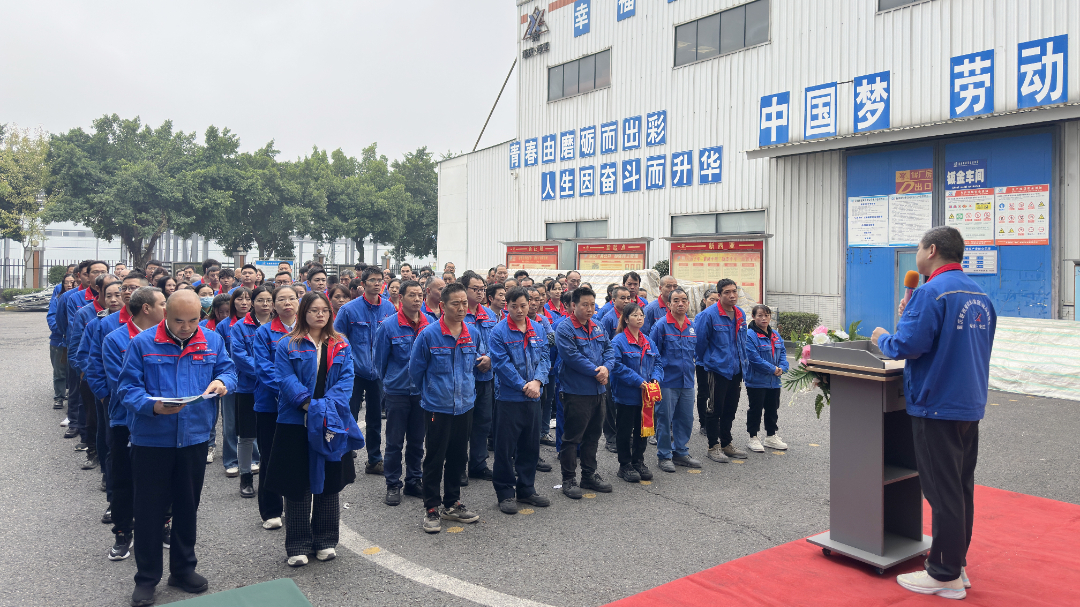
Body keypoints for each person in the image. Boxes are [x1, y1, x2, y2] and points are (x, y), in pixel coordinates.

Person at [871, 227, 995, 599]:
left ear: (932, 250)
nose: (916, 255)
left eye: (918, 248)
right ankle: (957, 564)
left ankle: (943, 574)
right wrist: (911, 315)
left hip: (936, 403)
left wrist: (882, 337)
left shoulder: (930, 292)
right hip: (968, 403)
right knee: (960, 488)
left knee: (942, 493)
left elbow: (907, 345)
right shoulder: (979, 294)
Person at [116, 289, 236, 607]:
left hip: (194, 439)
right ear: (165, 314)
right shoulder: (143, 343)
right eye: (179, 321)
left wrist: (223, 382)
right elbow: (126, 388)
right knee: (149, 512)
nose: (186, 327)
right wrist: (152, 407)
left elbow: (228, 370)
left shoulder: (212, 341)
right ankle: (146, 579)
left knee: (187, 508)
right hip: (151, 440)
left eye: (193, 320)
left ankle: (183, 570)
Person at [264, 292, 361, 568]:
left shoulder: (341, 343)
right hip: (295, 420)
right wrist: (308, 404)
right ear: (303, 312)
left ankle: (326, 540)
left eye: (324, 310)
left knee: (330, 482)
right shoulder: (287, 344)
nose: (320, 314)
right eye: (314, 310)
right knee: (297, 483)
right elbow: (285, 378)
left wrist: (325, 408)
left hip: (332, 420)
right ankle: (298, 544)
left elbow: (347, 379)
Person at [409, 283, 481, 534]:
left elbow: (475, 365)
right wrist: (432, 393)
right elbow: (416, 371)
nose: (461, 308)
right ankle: (431, 507)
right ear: (442, 305)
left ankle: (452, 503)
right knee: (434, 457)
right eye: (455, 303)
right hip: (437, 407)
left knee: (459, 456)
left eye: (464, 303)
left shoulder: (472, 333)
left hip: (465, 406)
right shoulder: (429, 335)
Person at [101, 286, 166, 562]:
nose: (168, 308)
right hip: (125, 419)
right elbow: (121, 383)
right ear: (146, 308)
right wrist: (155, 400)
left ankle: (163, 524)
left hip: (161, 418)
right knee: (123, 479)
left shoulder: (168, 336)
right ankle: (123, 532)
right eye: (163, 303)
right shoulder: (115, 339)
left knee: (161, 478)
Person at [488, 287, 552, 514]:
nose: (519, 310)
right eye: (514, 306)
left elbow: (545, 357)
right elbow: (501, 364)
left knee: (530, 445)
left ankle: (526, 489)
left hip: (533, 396)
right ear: (507, 306)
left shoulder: (538, 328)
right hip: (509, 397)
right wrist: (524, 386)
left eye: (523, 305)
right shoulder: (498, 331)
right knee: (505, 448)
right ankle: (505, 492)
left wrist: (538, 381)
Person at [333, 266, 397, 475]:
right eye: (372, 280)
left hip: (378, 372)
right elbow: (338, 338)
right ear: (363, 283)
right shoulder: (349, 309)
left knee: (375, 418)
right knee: (348, 413)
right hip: (353, 371)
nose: (377, 284)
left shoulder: (388, 308)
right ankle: (344, 456)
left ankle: (374, 459)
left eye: (380, 280)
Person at [554, 286, 615, 500]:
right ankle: (568, 479)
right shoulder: (565, 328)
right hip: (576, 391)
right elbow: (571, 357)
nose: (589, 309)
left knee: (593, 436)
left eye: (592, 305)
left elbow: (609, 349)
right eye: (584, 305)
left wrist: (606, 368)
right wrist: (597, 371)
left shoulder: (598, 325)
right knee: (572, 438)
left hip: (598, 391)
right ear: (573, 305)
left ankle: (589, 475)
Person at [373, 280, 428, 506]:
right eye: (412, 295)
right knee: (394, 442)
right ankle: (393, 483)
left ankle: (414, 480)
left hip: (421, 393)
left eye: (420, 295)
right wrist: (392, 381)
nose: (417, 299)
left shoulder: (430, 324)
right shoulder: (388, 326)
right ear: (401, 298)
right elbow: (379, 362)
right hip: (397, 392)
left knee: (417, 441)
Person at [251, 286, 299, 530]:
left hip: (301, 404)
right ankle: (271, 510)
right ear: (273, 305)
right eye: (281, 299)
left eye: (292, 298)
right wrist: (288, 392)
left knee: (297, 457)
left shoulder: (307, 329)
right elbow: (264, 368)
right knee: (270, 456)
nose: (287, 303)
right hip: (270, 403)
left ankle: (297, 506)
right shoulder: (264, 332)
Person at [694, 278, 749, 463]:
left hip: (736, 369)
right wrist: (710, 362)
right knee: (714, 408)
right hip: (716, 369)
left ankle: (726, 443)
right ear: (719, 295)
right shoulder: (708, 315)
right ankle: (713, 446)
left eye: (734, 291)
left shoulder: (740, 313)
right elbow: (700, 344)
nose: (732, 295)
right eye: (727, 292)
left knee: (730, 408)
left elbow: (742, 341)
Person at [649, 286, 703, 473]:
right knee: (665, 419)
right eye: (676, 301)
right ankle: (664, 455)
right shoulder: (661, 326)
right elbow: (652, 354)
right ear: (669, 304)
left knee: (686, 418)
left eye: (684, 300)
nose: (681, 304)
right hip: (667, 381)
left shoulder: (691, 326)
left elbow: (696, 352)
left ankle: (680, 452)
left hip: (687, 381)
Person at [610, 304, 663, 483]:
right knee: (625, 431)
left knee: (643, 429)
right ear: (626, 319)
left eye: (641, 315)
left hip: (646, 396)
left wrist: (655, 379)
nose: (639, 318)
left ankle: (638, 461)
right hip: (627, 394)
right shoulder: (618, 341)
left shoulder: (648, 340)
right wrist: (637, 381)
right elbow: (616, 366)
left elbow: (658, 362)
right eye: (635, 315)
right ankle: (624, 465)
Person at [75, 274, 123, 474]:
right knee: (104, 431)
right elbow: (83, 356)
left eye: (117, 295)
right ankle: (106, 472)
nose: (113, 299)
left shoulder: (139, 323)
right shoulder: (97, 323)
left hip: (127, 390)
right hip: (105, 390)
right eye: (108, 295)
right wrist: (101, 390)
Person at [229, 285, 274, 498]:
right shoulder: (240, 327)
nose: (265, 304)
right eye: (260, 300)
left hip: (273, 388)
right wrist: (266, 372)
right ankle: (245, 475)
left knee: (270, 434)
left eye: (269, 300)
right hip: (247, 387)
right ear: (253, 303)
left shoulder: (279, 325)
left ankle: (270, 476)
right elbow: (239, 356)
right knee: (246, 435)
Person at [216, 288, 257, 478]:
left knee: (251, 422)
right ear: (233, 302)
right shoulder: (224, 326)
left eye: (248, 299)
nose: (244, 302)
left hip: (252, 381)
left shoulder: (257, 324)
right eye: (240, 299)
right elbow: (222, 354)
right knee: (230, 423)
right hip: (231, 380)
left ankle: (253, 459)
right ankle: (231, 460)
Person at [460, 271, 495, 484]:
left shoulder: (490, 315)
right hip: (465, 378)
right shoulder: (458, 314)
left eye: (483, 289)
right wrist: (475, 360)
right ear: (464, 290)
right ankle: (458, 467)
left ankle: (478, 464)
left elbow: (498, 343)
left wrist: (490, 358)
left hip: (486, 377)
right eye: (476, 289)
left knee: (483, 422)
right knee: (462, 426)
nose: (480, 293)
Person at [743, 304, 789, 453]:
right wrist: (773, 369)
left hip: (774, 381)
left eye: (767, 315)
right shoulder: (750, 335)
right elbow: (754, 359)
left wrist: (782, 367)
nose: (764, 318)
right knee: (755, 409)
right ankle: (753, 437)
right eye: (760, 315)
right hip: (756, 381)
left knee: (772, 409)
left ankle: (771, 436)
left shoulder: (775, 334)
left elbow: (783, 353)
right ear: (753, 317)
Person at [47, 272, 75, 409]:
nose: (69, 285)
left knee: (73, 371)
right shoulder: (58, 298)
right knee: (59, 371)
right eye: (66, 282)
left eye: (72, 282)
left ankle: (72, 396)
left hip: (73, 340)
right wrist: (62, 331)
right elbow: (52, 317)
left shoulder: (78, 298)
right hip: (58, 340)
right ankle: (59, 397)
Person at [696, 288, 719, 435]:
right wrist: (704, 358)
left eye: (717, 300)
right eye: (712, 299)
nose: (715, 302)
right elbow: (699, 342)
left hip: (718, 363)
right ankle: (703, 423)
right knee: (704, 393)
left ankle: (715, 421)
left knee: (716, 394)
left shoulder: (722, 317)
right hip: (703, 362)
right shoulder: (701, 316)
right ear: (704, 301)